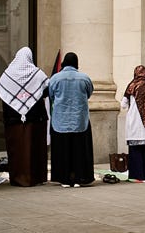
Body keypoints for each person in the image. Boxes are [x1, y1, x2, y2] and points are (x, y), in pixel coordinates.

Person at [0, 47, 50, 187]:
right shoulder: (37, 74)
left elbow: (3, 94)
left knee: (17, 151)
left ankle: (17, 178)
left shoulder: (7, 75)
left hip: (13, 122)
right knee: (34, 149)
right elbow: (46, 91)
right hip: (35, 120)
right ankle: (35, 178)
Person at [49, 52, 95, 188]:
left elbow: (51, 95)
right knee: (79, 150)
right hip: (80, 120)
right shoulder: (85, 78)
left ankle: (64, 178)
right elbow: (89, 93)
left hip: (60, 121)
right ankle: (80, 177)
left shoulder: (55, 78)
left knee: (62, 150)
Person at [121, 65, 145, 180]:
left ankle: (136, 175)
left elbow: (123, 105)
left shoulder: (132, 86)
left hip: (134, 121)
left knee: (135, 150)